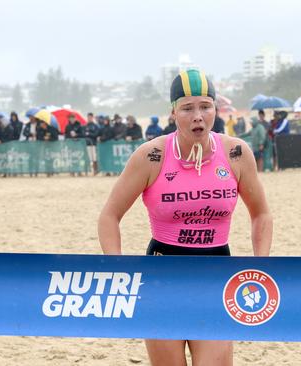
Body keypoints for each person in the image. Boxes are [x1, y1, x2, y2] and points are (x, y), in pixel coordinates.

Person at [97, 69, 272, 366]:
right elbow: (109, 216)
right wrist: (118, 267)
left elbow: (262, 214)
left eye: (205, 106)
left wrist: (260, 266)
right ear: (173, 113)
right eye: (187, 108)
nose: (198, 116)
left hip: (216, 272)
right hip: (161, 276)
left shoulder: (236, 153)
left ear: (216, 110)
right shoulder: (150, 156)